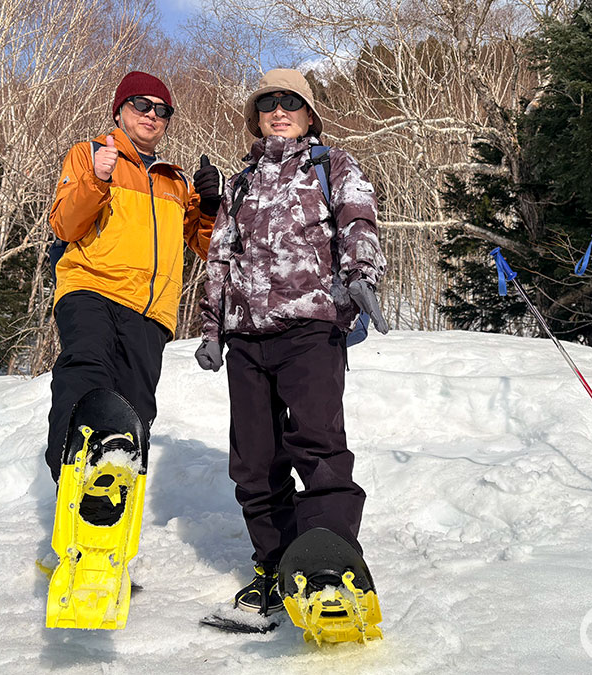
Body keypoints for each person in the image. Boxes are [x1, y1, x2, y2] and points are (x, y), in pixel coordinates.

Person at [196, 69, 388, 615]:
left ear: (308, 113)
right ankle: (277, 568)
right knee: (255, 464)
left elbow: (357, 218)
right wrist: (212, 327)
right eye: (268, 103)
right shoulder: (240, 182)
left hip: (310, 327)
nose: (278, 110)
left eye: (290, 102)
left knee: (319, 450)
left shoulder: (332, 165)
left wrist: (361, 273)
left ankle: (331, 566)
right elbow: (220, 258)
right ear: (257, 116)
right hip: (247, 341)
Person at [46, 71, 221, 482]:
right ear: (120, 111)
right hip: (92, 289)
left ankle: (114, 495)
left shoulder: (175, 181)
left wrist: (211, 206)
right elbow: (64, 225)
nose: (152, 115)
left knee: (135, 408)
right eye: (141, 105)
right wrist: (98, 179)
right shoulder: (89, 154)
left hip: (151, 310)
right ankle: (72, 474)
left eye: (163, 111)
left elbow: (209, 248)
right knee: (86, 375)